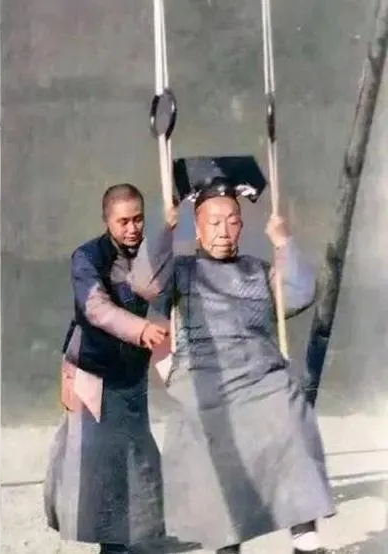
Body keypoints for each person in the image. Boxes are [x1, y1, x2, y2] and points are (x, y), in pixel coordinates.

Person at [129, 157, 336, 554]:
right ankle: (227, 542)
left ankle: (304, 534)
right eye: (214, 222)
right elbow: (144, 283)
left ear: (241, 226)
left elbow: (300, 293)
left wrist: (283, 243)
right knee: (214, 432)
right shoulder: (181, 271)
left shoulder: (257, 270)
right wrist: (163, 231)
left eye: (232, 221)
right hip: (203, 374)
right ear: (198, 227)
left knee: (290, 409)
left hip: (261, 373)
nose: (223, 231)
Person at [44, 183, 166, 554]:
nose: (132, 228)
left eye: (138, 219)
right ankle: (111, 545)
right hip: (90, 373)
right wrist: (141, 329)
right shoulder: (86, 257)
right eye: (123, 221)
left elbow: (159, 290)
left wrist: (169, 232)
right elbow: (95, 308)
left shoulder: (151, 253)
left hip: (131, 375)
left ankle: (128, 537)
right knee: (96, 464)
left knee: (137, 456)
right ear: (107, 221)